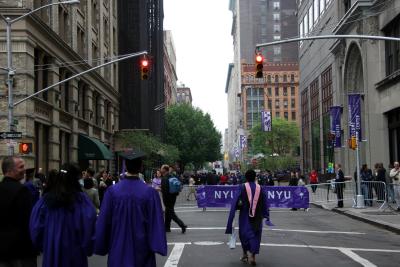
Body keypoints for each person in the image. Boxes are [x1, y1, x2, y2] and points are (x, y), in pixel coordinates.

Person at [95, 152, 167, 266]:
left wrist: (101, 244)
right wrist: (157, 244)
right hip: (142, 250)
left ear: (126, 167)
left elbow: (104, 222)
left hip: (118, 248)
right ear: (141, 167)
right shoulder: (150, 193)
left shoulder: (112, 192)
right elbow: (156, 223)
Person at [29, 163, 96, 267]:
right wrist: (88, 247)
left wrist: (46, 245)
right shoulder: (81, 201)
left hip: (52, 252)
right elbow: (89, 224)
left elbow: (36, 227)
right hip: (74, 252)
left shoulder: (46, 200)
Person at [226, 170, 270, 266]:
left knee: (244, 234)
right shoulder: (261, 188)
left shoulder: (242, 187)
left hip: (245, 214)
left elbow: (235, 201)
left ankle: (245, 253)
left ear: (245, 178)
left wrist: (233, 212)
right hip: (257, 215)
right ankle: (252, 255)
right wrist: (266, 215)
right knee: (255, 235)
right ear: (255, 178)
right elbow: (265, 202)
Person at [0, 156, 37, 267]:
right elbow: (27, 221)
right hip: (20, 249)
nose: (24, 169)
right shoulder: (22, 190)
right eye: (21, 167)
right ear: (10, 170)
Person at [161, 164, 187, 233]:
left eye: (162, 168)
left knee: (171, 213)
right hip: (173, 197)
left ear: (164, 170)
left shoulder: (164, 178)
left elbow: (165, 190)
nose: (161, 169)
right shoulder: (172, 176)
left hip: (167, 198)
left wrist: (161, 191)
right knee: (168, 212)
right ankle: (167, 228)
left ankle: (182, 225)